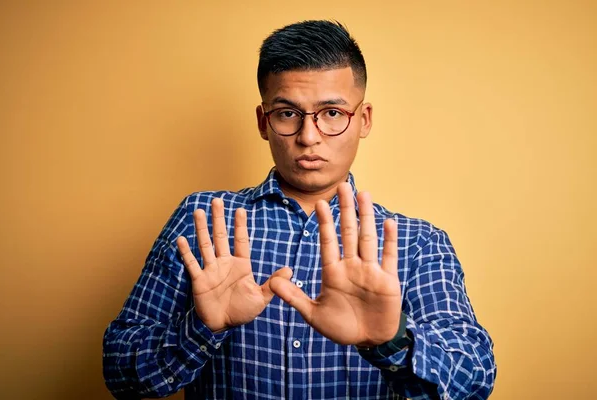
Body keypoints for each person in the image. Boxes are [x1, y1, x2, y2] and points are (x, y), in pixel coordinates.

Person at [103, 20, 496, 400]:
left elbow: (474, 377)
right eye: (288, 113)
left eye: (332, 114)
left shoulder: (416, 243)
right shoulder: (204, 219)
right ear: (263, 121)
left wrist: (391, 339)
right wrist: (201, 329)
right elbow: (119, 370)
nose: (309, 137)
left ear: (364, 119)